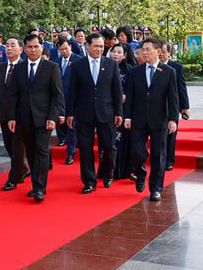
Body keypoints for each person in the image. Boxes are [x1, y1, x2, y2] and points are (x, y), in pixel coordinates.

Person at [7, 34, 63, 202]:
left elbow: (57, 95)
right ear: (24, 49)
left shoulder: (51, 67)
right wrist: (12, 117)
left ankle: (40, 188)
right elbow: (13, 95)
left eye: (36, 47)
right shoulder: (19, 69)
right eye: (29, 47)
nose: (33, 50)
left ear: (41, 48)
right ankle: (35, 184)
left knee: (42, 150)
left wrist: (53, 116)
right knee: (30, 152)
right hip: (24, 118)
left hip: (44, 117)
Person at [66, 32, 123, 194]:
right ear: (87, 46)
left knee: (110, 147)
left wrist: (119, 112)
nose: (99, 49)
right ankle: (89, 182)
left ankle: (108, 173)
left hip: (107, 112)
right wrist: (70, 113)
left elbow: (117, 91)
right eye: (96, 46)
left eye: (101, 46)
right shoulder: (78, 65)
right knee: (85, 148)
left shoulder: (111, 64)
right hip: (84, 113)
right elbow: (72, 91)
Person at [124, 38, 179, 201]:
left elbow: (173, 98)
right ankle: (140, 173)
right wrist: (127, 117)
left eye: (148, 49)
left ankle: (156, 188)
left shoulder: (169, 72)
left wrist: (173, 119)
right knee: (136, 151)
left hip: (159, 120)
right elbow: (130, 96)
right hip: (138, 119)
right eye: (143, 50)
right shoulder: (135, 71)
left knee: (158, 155)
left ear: (158, 51)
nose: (144, 52)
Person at [0, 37, 30, 190]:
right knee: (9, 145)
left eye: (13, 45)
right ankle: (23, 169)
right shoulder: (0, 67)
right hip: (4, 114)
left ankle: (13, 178)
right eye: (7, 45)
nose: (9, 48)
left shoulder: (25, 66)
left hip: (20, 115)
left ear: (21, 49)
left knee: (18, 146)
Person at [160, 41, 190, 171]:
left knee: (171, 134)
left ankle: (169, 160)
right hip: (156, 106)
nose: (161, 55)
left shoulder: (176, 67)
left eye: (164, 52)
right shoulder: (151, 66)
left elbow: (181, 87)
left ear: (169, 53)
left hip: (172, 105)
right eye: (159, 52)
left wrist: (185, 107)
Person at [55, 38, 82, 164]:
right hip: (59, 98)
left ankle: (70, 153)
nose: (64, 51)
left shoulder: (78, 60)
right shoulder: (55, 62)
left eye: (66, 48)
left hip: (74, 98)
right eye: (61, 49)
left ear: (70, 46)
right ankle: (62, 139)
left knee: (71, 125)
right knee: (61, 123)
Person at [109, 43, 134, 180]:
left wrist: (126, 96)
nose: (115, 54)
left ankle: (122, 170)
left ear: (124, 56)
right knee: (108, 141)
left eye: (119, 52)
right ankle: (107, 170)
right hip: (108, 109)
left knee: (121, 141)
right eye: (114, 51)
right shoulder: (105, 66)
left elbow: (134, 89)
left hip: (123, 110)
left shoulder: (129, 70)